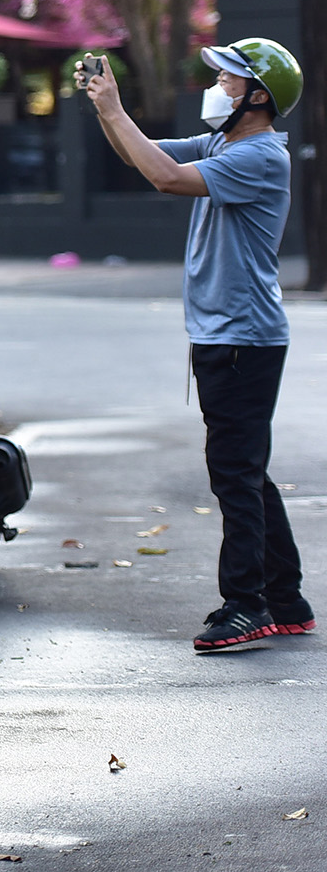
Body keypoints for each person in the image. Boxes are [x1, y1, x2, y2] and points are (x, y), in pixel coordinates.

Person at [76, 40, 310, 653]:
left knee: (234, 472)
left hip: (243, 337)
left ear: (258, 96)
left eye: (229, 79)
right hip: (227, 334)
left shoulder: (259, 156)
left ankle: (247, 604)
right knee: (246, 469)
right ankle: (285, 598)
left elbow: (163, 177)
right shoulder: (225, 144)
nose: (219, 88)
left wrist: (117, 105)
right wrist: (106, 111)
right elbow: (142, 159)